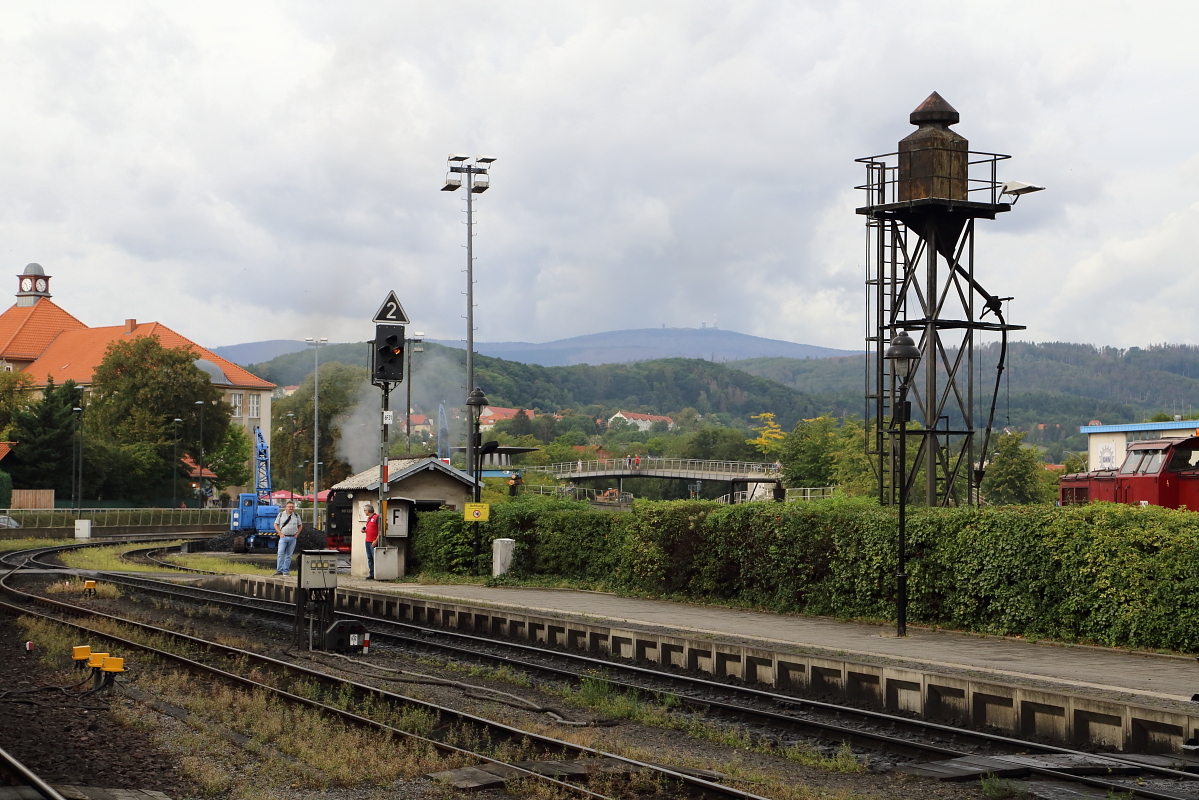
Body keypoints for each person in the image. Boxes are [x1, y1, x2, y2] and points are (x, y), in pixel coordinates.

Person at [273, 501, 302, 576]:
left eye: (292, 507)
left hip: (292, 538)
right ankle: (279, 570)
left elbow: (300, 525)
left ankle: (286, 571)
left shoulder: (296, 515)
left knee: (289, 555)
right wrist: (280, 534)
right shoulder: (281, 515)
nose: (291, 508)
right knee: (280, 553)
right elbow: (275, 524)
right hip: (283, 537)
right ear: (286, 507)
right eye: (289, 507)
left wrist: (297, 534)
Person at [362, 504, 379, 580]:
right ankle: (371, 574)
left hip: (373, 541)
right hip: (367, 540)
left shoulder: (376, 518)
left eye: (365, 510)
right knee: (369, 558)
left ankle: (377, 573)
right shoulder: (369, 518)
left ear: (368, 511)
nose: (364, 512)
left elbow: (380, 530)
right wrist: (365, 530)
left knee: (374, 557)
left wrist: (376, 540)